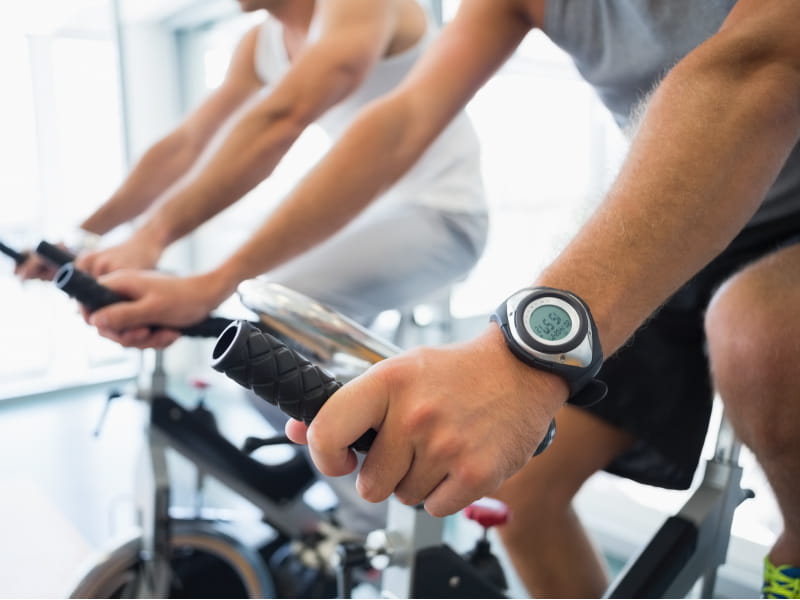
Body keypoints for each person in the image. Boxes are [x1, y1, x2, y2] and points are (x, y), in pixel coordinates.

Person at [85, 0, 800, 597]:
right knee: (521, 496)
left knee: (756, 328)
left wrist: (520, 359)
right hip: (679, 228)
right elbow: (402, 120)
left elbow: (759, 66)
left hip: (781, 220)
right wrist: (203, 278)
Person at [15, 0, 487, 538]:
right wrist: (84, 236)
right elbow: (188, 142)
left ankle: (375, 531)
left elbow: (283, 116)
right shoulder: (261, 44)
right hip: (366, 217)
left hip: (440, 215)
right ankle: (347, 495)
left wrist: (158, 243)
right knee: (262, 348)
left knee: (264, 345)